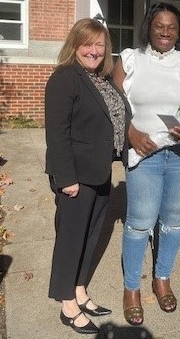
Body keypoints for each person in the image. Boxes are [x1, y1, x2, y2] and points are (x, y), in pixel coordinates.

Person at [113, 2, 180, 325]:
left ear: (179, 32)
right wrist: (130, 132)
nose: (165, 32)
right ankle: (131, 287)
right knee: (139, 223)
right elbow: (114, 105)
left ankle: (162, 277)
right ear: (148, 27)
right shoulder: (129, 60)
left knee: (174, 221)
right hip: (144, 154)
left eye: (172, 27)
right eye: (159, 26)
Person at [45, 18, 130, 334]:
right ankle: (67, 303)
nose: (94, 51)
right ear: (75, 45)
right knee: (71, 238)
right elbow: (57, 133)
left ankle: (80, 289)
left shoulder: (101, 78)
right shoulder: (65, 79)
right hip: (75, 177)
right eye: (87, 44)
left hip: (100, 172)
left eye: (100, 44)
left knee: (90, 236)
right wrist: (66, 178)